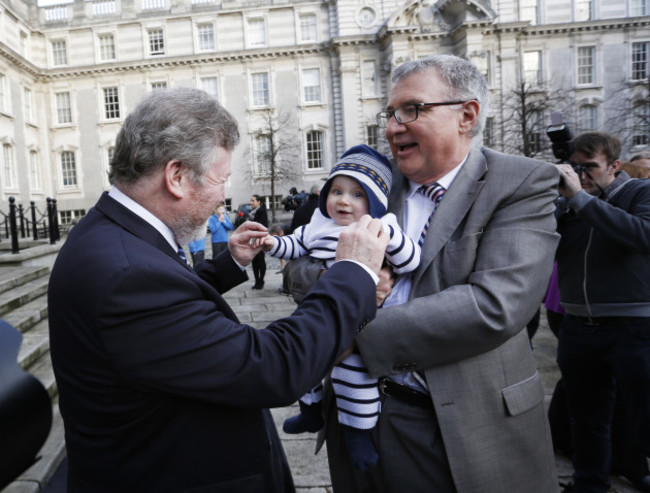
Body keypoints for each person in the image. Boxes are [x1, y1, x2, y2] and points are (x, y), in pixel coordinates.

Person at [47, 87, 390, 493]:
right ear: (176, 176)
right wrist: (353, 272)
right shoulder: (124, 276)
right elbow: (274, 367)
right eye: (220, 179)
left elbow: (167, 322)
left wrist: (230, 264)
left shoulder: (114, 234)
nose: (222, 195)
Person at [293, 54, 561, 492]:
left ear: (466, 115)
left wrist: (348, 330)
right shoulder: (372, 182)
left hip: (460, 427)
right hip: (355, 416)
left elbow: (495, 306)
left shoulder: (521, 182)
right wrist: (343, 281)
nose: (393, 126)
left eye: (412, 109)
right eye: (390, 112)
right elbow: (300, 263)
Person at [260, 144, 420, 471]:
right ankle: (310, 410)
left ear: (374, 202)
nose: (343, 200)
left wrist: (390, 235)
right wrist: (272, 243)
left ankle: (358, 431)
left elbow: (410, 260)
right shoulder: (319, 224)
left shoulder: (378, 225)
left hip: (361, 316)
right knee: (300, 352)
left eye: (356, 194)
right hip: (322, 308)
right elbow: (296, 245)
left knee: (354, 376)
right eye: (336, 191)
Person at [554, 131, 650, 493]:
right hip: (578, 324)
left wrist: (580, 199)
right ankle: (590, 485)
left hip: (634, 326)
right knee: (587, 419)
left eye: (589, 167)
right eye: (574, 168)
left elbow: (643, 236)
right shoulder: (569, 203)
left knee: (643, 418)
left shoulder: (640, 192)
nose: (581, 176)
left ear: (613, 166)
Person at [248, 193, 268, 289]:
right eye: (250, 200)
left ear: (259, 201)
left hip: (260, 239)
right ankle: (256, 281)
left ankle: (261, 280)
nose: (251, 202)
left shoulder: (262, 211)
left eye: (253, 200)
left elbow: (261, 226)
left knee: (260, 260)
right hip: (253, 239)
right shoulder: (252, 212)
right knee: (254, 261)